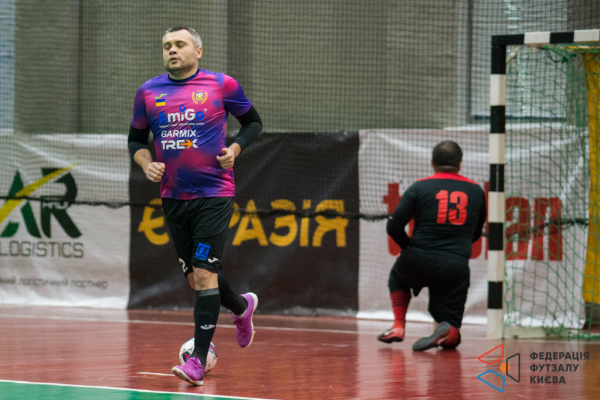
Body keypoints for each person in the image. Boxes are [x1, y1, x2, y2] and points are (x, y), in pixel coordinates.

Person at [128, 27, 263, 385]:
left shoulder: (221, 85)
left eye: (179, 44)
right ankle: (241, 306)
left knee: (204, 275)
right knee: (195, 278)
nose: (172, 50)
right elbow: (136, 141)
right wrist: (146, 163)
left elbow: (253, 122)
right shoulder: (148, 92)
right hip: (173, 197)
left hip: (214, 194)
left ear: (198, 51)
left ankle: (197, 362)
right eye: (166, 46)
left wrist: (235, 149)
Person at [377, 140, 486, 351]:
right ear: (460, 164)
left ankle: (398, 326)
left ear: (431, 162)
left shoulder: (419, 187)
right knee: (452, 333)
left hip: (417, 258)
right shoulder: (476, 191)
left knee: (398, 277)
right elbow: (475, 233)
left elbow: (394, 227)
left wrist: (408, 248)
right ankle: (447, 331)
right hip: (454, 266)